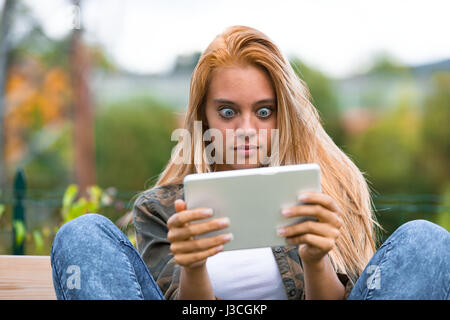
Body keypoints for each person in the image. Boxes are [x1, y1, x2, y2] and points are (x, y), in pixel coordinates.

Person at [50, 26, 450, 300]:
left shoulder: (321, 193)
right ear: (203, 117)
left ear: (284, 115)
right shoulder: (162, 210)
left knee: (426, 240)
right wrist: (193, 268)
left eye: (263, 112)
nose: (246, 130)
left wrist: (315, 260)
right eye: (227, 112)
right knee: (83, 233)